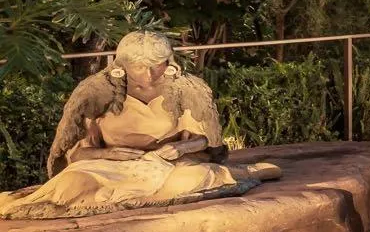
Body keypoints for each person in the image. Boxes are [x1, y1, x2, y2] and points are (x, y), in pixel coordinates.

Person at [0, 31, 239, 219]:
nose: (149, 73)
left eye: (157, 65)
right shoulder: (97, 94)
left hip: (168, 166)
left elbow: (205, 140)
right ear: (122, 64)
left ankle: (124, 201)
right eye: (139, 66)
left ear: (169, 61)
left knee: (198, 176)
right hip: (109, 169)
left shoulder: (182, 90)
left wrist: (182, 149)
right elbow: (76, 154)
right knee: (71, 184)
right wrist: (110, 153)